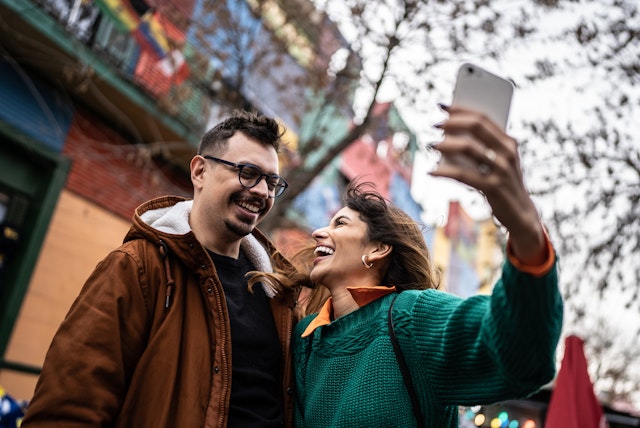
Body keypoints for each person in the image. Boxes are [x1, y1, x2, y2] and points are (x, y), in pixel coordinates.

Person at [249, 104, 564, 427]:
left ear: (378, 250)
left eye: (340, 223)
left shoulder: (411, 319)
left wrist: (525, 229)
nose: (319, 232)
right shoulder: (305, 339)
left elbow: (522, 353)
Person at [22, 110, 301, 427]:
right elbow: (67, 409)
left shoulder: (278, 294)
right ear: (199, 172)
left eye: (271, 181)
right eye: (248, 173)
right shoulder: (137, 267)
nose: (262, 191)